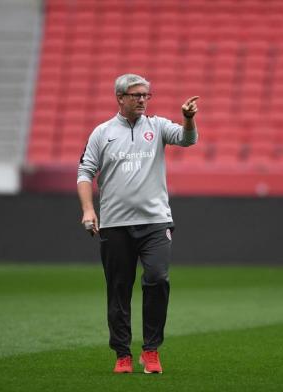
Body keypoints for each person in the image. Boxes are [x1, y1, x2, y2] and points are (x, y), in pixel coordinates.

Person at [77, 74, 199, 374]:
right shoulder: (102, 133)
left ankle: (151, 350)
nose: (142, 99)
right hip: (115, 225)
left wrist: (188, 119)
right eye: (136, 95)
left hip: (156, 222)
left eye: (146, 94)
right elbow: (84, 172)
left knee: (157, 279)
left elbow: (187, 140)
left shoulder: (157, 126)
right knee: (119, 290)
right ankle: (122, 354)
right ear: (120, 98)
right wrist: (89, 210)